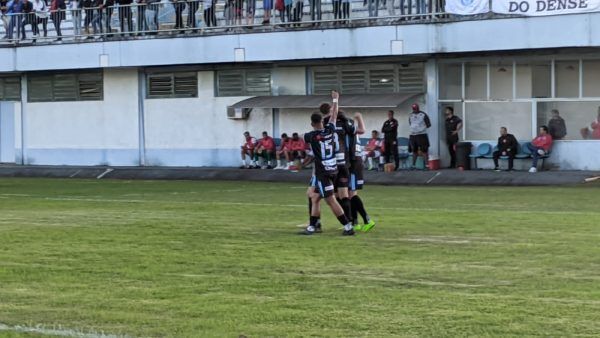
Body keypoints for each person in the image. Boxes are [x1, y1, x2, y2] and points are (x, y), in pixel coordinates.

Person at [303, 90, 355, 236]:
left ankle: (347, 226)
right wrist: (335, 100)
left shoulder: (311, 136)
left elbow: (303, 138)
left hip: (323, 172)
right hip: (334, 169)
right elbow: (333, 115)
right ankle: (313, 226)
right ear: (322, 121)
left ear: (312, 123)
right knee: (314, 197)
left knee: (331, 200)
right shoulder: (330, 130)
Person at [348, 112, 376, 232]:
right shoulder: (353, 132)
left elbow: (362, 129)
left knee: (351, 195)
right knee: (349, 195)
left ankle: (367, 220)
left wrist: (359, 117)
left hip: (354, 164)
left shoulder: (350, 131)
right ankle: (355, 222)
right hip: (354, 163)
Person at [408, 103, 431, 169]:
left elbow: (429, 124)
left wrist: (421, 128)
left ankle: (427, 165)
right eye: (414, 109)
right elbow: (410, 123)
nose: (415, 110)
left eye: (416, 109)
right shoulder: (410, 115)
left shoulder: (423, 114)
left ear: (418, 108)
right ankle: (413, 165)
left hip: (422, 134)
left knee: (424, 150)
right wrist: (414, 129)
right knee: (414, 150)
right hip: (413, 135)